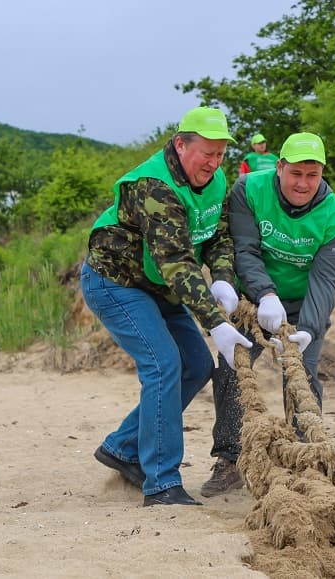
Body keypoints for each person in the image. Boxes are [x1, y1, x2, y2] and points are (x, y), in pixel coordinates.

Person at [81, 106, 253, 507]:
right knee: (163, 364)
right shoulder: (153, 186)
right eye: (205, 152)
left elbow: (217, 236)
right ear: (180, 144)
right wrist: (215, 323)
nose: (213, 162)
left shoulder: (214, 178)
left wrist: (224, 276)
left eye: (219, 153)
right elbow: (176, 260)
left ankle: (123, 448)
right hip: (115, 282)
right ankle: (161, 483)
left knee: (196, 365)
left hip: (159, 286)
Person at [201, 132, 335, 497]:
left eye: (312, 175)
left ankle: (305, 460)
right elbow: (246, 250)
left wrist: (310, 330)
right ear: (279, 167)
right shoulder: (248, 190)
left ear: (321, 174)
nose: (303, 183)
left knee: (302, 377)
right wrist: (265, 295)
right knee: (230, 370)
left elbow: (326, 281)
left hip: (302, 306)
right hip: (252, 300)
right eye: (295, 173)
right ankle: (230, 458)